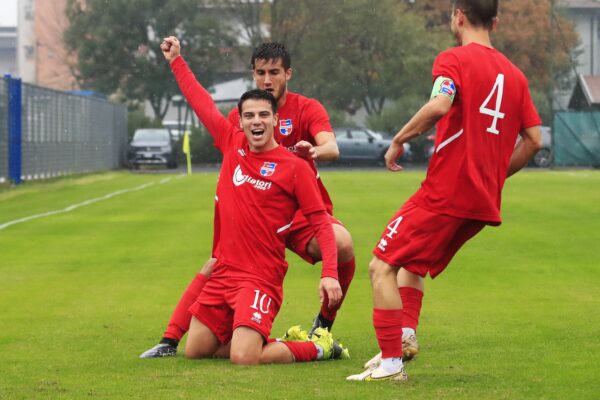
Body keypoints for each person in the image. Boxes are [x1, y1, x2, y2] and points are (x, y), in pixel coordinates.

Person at [347, 0, 542, 381]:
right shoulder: (517, 76)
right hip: (482, 202)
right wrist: (494, 176)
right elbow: (533, 139)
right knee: (413, 263)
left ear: (459, 16)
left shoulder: (452, 60)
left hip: (446, 192)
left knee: (381, 267)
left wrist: (399, 138)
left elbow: (439, 105)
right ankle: (403, 338)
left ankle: (390, 366)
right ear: (496, 22)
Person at [141, 43, 356, 358]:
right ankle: (171, 340)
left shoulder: (295, 158)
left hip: (273, 248)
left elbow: (323, 206)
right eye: (250, 116)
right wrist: (176, 61)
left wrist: (328, 275)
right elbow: (200, 102)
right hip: (235, 259)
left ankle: (319, 337)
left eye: (264, 115)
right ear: (239, 121)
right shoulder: (232, 140)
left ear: (275, 118)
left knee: (342, 243)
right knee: (197, 351)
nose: (257, 121)